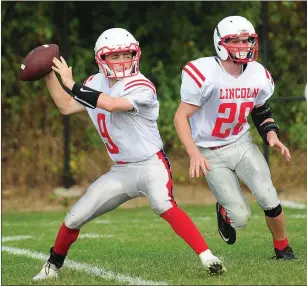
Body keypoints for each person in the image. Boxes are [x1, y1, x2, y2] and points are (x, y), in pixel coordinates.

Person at [33, 28, 226, 281]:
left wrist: (71, 84)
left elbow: (112, 105)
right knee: (75, 216)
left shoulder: (141, 85)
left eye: (127, 55)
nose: (123, 61)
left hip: (150, 165)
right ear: (102, 59)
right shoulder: (94, 83)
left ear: (136, 55)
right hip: (121, 170)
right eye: (115, 56)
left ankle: (208, 257)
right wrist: (48, 74)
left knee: (163, 204)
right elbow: (66, 106)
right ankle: (52, 267)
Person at [174, 16, 296, 260]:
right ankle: (225, 212)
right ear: (221, 43)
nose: (243, 46)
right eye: (236, 41)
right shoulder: (203, 72)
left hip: (241, 144)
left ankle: (282, 248)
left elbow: (261, 110)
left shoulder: (257, 73)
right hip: (209, 151)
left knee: (267, 195)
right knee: (240, 218)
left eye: (247, 40)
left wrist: (271, 135)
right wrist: (193, 152)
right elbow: (180, 117)